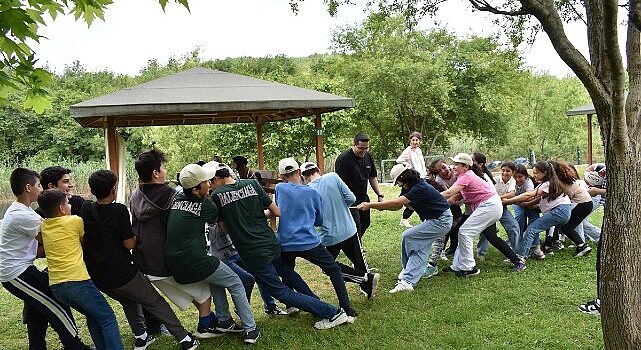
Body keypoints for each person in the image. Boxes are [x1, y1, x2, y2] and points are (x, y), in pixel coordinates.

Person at [209, 163, 348, 330]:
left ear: (217, 178)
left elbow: (225, 229)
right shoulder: (252, 184)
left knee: (280, 292)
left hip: (252, 252)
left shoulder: (217, 196)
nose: (210, 186)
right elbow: (277, 212)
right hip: (271, 242)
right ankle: (315, 304)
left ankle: (332, 312)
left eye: (211, 182)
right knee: (288, 273)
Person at [80, 169, 198, 350]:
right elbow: (129, 244)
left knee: (129, 300)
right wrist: (136, 236)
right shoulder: (118, 210)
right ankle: (185, 339)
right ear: (113, 188)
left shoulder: (86, 208)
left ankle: (141, 337)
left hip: (100, 277)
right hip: (123, 273)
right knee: (155, 302)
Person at [166, 163, 260, 344]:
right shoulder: (206, 206)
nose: (210, 183)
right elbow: (215, 217)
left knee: (217, 277)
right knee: (236, 282)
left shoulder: (177, 197)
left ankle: (224, 320)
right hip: (195, 261)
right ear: (195, 190)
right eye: (205, 182)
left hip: (174, 262)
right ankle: (251, 329)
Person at [130, 149, 215, 343]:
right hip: (167, 259)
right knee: (203, 290)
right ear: (156, 173)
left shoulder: (136, 196)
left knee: (194, 291)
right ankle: (205, 325)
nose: (165, 170)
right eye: (163, 167)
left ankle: (209, 318)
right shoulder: (171, 195)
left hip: (144, 261)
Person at [0, 168, 92, 350]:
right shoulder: (22, 215)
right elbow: (54, 241)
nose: (41, 189)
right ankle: (75, 346)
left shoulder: (23, 210)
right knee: (55, 303)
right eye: (39, 185)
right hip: (15, 273)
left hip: (23, 268)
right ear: (28, 187)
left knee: (38, 306)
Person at [37, 189, 123, 350]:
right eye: (67, 203)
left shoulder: (43, 226)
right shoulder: (74, 221)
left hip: (56, 287)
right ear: (62, 209)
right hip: (77, 282)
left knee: (93, 315)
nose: (70, 205)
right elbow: (84, 242)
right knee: (107, 318)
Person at [275, 158, 357, 321]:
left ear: (282, 176)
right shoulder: (312, 192)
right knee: (333, 270)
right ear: (299, 173)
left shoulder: (279, 188)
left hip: (286, 242)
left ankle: (290, 305)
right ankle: (346, 308)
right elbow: (319, 220)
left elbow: (280, 208)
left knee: (288, 270)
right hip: (309, 242)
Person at [358, 163, 452, 293]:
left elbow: (397, 203)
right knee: (420, 250)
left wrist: (370, 205)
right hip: (434, 219)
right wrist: (380, 206)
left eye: (397, 181)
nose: (397, 184)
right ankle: (407, 281)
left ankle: (406, 272)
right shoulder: (409, 187)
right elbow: (397, 207)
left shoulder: (419, 187)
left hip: (441, 221)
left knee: (408, 236)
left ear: (404, 177)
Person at [300, 161, 380, 299]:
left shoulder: (307, 191)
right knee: (359, 260)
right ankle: (368, 286)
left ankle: (364, 278)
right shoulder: (333, 177)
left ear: (303, 176)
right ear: (318, 169)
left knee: (327, 267)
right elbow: (351, 198)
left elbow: (312, 216)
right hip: (349, 228)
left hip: (330, 236)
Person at [441, 153, 524, 276]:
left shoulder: (466, 176)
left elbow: (448, 193)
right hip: (489, 207)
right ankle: (518, 261)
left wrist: (428, 196)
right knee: (491, 237)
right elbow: (454, 198)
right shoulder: (465, 177)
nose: (453, 166)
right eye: (453, 164)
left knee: (464, 232)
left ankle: (469, 268)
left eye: (456, 164)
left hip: (489, 206)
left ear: (465, 167)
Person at [503, 161, 574, 261]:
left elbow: (529, 195)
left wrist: (507, 201)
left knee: (531, 229)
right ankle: (535, 251)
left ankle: (520, 258)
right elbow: (535, 199)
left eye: (536, 173)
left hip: (559, 211)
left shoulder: (547, 184)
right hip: (562, 212)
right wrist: (522, 203)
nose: (534, 175)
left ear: (544, 173)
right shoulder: (546, 183)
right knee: (533, 226)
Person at [335, 133, 385, 239]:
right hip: (349, 198)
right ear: (354, 145)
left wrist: (379, 195)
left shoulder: (368, 156)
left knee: (365, 223)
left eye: (366, 148)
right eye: (361, 148)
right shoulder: (343, 159)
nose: (364, 151)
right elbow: (338, 183)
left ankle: (353, 246)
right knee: (356, 226)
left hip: (363, 196)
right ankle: (357, 250)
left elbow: (372, 177)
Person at [476, 161, 529, 259]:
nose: (505, 173)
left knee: (514, 227)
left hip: (501, 207)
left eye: (508, 171)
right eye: (503, 170)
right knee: (487, 228)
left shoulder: (512, 181)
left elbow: (512, 194)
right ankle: (481, 252)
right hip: (489, 207)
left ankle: (514, 252)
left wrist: (497, 198)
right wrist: (498, 199)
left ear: (513, 172)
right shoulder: (494, 180)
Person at [396, 131, 428, 228]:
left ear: (420, 141)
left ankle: (420, 219)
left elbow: (421, 163)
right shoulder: (408, 150)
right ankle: (406, 219)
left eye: (417, 140)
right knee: (414, 199)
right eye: (413, 140)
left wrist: (425, 173)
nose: (415, 142)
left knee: (416, 199)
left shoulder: (418, 150)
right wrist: (409, 167)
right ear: (410, 141)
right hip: (413, 178)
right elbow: (399, 160)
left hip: (421, 177)